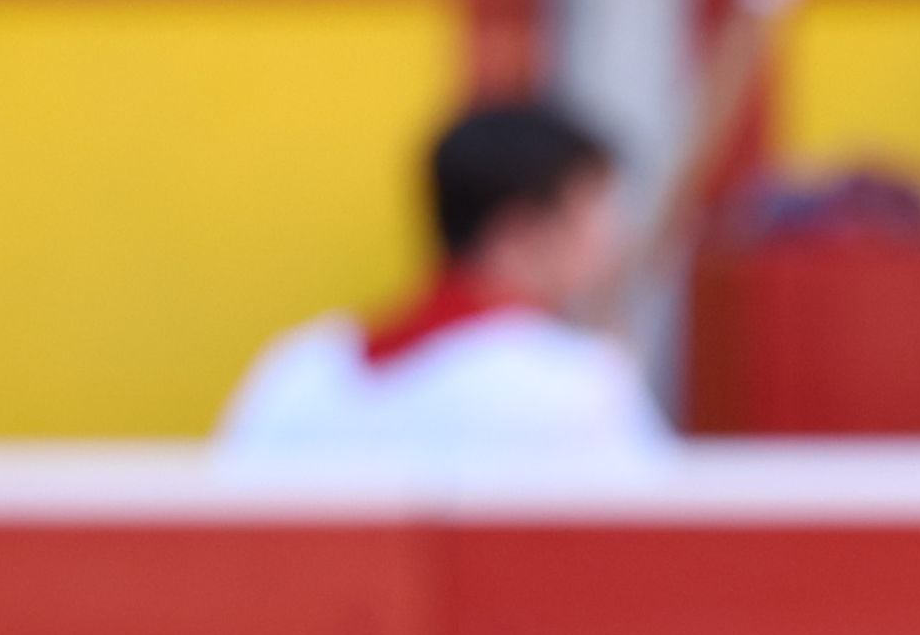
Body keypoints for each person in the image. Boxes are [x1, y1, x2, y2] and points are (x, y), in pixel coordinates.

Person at [216, 97, 669, 462]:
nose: (615, 239)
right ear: (521, 231)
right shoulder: (576, 384)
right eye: (598, 213)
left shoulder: (302, 366)